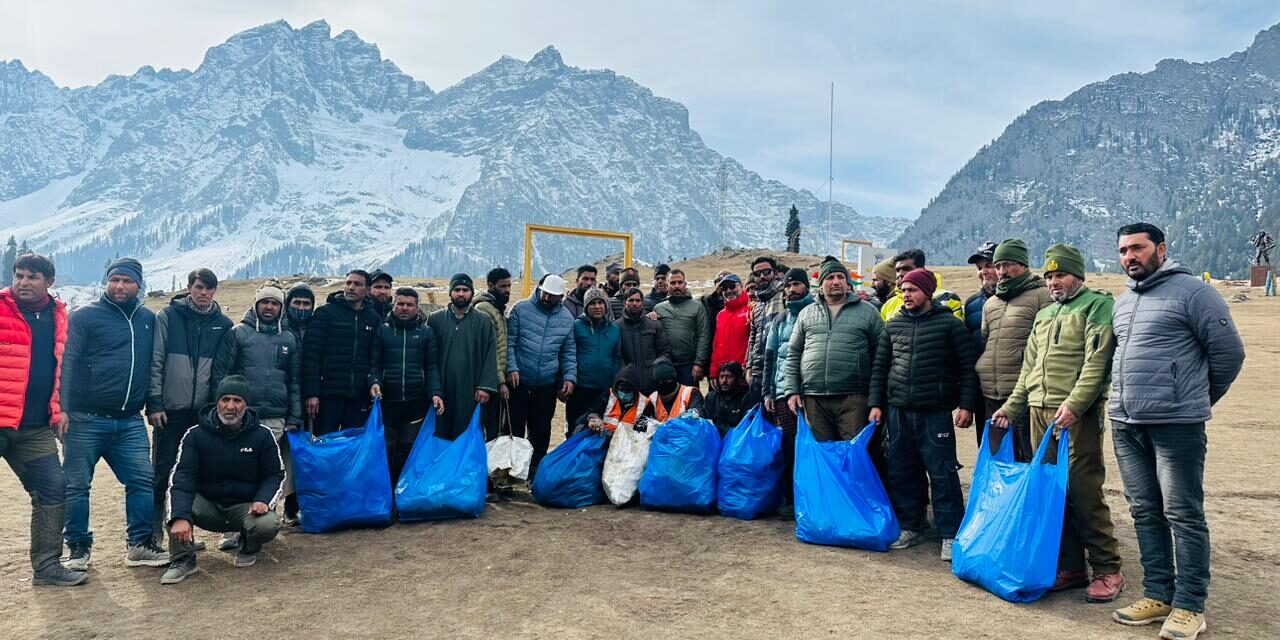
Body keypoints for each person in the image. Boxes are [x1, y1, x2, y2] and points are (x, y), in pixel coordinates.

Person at [1108, 223, 1245, 639]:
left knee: (1183, 514)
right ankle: (1158, 594)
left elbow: (1229, 354)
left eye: (1138, 248)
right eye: (1123, 250)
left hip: (1176, 426)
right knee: (1144, 510)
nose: (1130, 256)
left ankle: (1189, 605)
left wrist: (1194, 401)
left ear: (1161, 249)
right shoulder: (1123, 301)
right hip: (1125, 423)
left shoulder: (1194, 292)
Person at [993, 243, 1124, 603]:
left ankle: (1108, 568)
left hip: (1073, 415)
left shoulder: (1098, 306)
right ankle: (1070, 567)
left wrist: (1076, 404)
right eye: (1049, 276)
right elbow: (1029, 369)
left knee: (1083, 491)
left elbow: (1096, 364)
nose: (1054, 281)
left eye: (1060, 274)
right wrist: (1012, 406)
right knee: (1052, 492)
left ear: (1078, 275)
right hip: (1037, 411)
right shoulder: (1045, 313)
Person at [62, 257, 170, 570]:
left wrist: (154, 404)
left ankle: (139, 545)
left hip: (130, 421)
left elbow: (152, 367)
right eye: (114, 280)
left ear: (139, 285)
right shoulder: (84, 317)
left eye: (127, 281)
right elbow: (66, 363)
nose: (119, 286)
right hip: (85, 418)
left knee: (141, 480)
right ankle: (78, 549)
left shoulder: (148, 319)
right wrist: (63, 408)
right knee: (77, 485)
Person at [869, 268, 978, 561]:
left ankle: (949, 533)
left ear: (927, 292)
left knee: (942, 473)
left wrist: (966, 405)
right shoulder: (892, 326)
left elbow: (967, 368)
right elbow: (880, 368)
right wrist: (876, 404)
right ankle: (911, 526)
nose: (906, 295)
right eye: (903, 290)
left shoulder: (950, 326)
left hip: (935, 413)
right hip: (899, 412)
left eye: (912, 290)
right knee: (902, 471)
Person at [0, 254, 86, 586]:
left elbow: (61, 368)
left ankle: (47, 567)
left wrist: (59, 409)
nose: (22, 282)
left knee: (53, 488)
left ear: (49, 282)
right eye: (18, 275)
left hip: (34, 428)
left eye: (32, 277)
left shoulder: (58, 316)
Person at [160, 376, 284, 584]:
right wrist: (180, 517)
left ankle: (249, 544)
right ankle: (183, 559)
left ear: (246, 404)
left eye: (238, 400)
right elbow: (181, 479)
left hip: (245, 508)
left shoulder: (263, 435)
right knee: (174, 505)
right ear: (216, 402)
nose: (230, 406)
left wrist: (263, 500)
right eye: (225, 399)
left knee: (267, 524)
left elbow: (275, 475)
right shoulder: (195, 435)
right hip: (207, 505)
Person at [148, 268, 232, 545]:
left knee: (193, 473)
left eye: (209, 289)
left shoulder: (223, 324)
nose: (204, 293)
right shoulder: (168, 317)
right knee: (163, 473)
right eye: (199, 287)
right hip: (170, 411)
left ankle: (185, 534)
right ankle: (155, 535)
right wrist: (155, 402)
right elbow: (156, 361)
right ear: (188, 288)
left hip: (202, 413)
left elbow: (221, 371)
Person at [210, 285, 303, 531]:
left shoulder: (289, 338)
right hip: (240, 416)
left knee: (269, 470)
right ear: (256, 305)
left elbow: (294, 380)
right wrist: (218, 411)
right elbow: (221, 375)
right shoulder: (238, 333)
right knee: (237, 471)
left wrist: (294, 415)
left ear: (281, 308)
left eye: (275, 303)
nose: (269, 307)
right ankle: (231, 529)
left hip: (276, 416)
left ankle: (262, 525)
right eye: (265, 302)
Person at [784, 257, 884, 444]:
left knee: (853, 455)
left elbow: (881, 358)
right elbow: (793, 354)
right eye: (830, 277)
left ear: (848, 282)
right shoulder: (807, 313)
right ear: (821, 284)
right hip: (814, 398)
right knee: (821, 457)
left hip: (854, 398)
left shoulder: (869, 312)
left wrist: (876, 400)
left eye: (840, 277)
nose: (836, 281)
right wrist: (792, 390)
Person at [976, 238, 1052, 460]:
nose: (1001, 271)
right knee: (998, 460)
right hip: (991, 394)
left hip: (1024, 396)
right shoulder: (991, 303)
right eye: (998, 265)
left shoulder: (1042, 295)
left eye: (1008, 264)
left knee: (1030, 457)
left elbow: (1045, 346)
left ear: (1023, 265)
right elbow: (987, 340)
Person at [369, 287, 444, 485]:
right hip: (387, 402)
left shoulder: (427, 333)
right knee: (387, 448)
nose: (404, 308)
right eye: (400, 304)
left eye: (409, 305)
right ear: (393, 305)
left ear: (417, 308)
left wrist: (435, 392)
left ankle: (403, 490)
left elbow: (432, 366)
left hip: (415, 402)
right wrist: (374, 382)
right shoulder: (382, 331)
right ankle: (386, 492)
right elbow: (374, 364)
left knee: (408, 449)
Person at [506, 274, 576, 479]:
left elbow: (568, 352)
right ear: (539, 289)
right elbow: (510, 342)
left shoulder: (566, 319)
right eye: (545, 293)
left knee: (541, 431)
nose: (547, 298)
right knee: (513, 429)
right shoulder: (520, 309)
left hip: (545, 385)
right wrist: (511, 368)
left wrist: (569, 378)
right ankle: (510, 473)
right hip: (518, 383)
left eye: (553, 296)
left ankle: (534, 473)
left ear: (561, 297)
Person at [301, 270, 381, 435]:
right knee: (323, 444)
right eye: (348, 283)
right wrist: (312, 393)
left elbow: (375, 358)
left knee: (351, 447)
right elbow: (311, 356)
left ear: (367, 290)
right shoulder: (325, 313)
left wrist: (373, 382)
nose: (351, 287)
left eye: (357, 284)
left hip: (358, 397)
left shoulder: (373, 318)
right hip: (327, 396)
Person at [762, 267, 814, 515]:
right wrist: (768, 392)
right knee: (789, 447)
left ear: (806, 287)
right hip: (783, 394)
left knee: (812, 448)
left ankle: (811, 499)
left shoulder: (817, 313)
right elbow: (769, 358)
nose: (792, 290)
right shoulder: (780, 320)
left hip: (812, 395)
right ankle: (792, 501)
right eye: (788, 286)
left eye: (796, 285)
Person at [427, 274, 499, 440]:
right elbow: (428, 355)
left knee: (466, 432)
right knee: (439, 431)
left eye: (465, 290)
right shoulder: (435, 319)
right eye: (457, 290)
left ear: (471, 293)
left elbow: (490, 354)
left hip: (470, 389)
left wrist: (485, 386)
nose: (461, 294)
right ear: (450, 292)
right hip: (442, 388)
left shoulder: (483, 321)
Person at [567, 288, 621, 431]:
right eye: (592, 303)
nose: (597, 307)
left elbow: (617, 358)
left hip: (604, 391)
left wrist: (614, 384)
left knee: (601, 432)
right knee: (576, 429)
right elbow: (569, 353)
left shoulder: (614, 329)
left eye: (600, 303)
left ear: (606, 305)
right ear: (586, 307)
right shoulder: (577, 326)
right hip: (580, 389)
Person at [473, 267, 512, 439]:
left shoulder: (497, 308)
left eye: (509, 286)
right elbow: (490, 349)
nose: (507, 290)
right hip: (488, 382)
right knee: (489, 427)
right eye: (503, 286)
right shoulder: (485, 310)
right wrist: (500, 381)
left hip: (495, 379)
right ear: (491, 285)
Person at [654, 269, 711, 386]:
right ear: (667, 285)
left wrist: (699, 363)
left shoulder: (697, 306)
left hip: (689, 366)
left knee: (689, 400)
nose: (676, 286)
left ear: (685, 284)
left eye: (680, 283)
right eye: (673, 283)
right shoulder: (658, 309)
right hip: (667, 364)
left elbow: (704, 336)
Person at [880, 249, 963, 321]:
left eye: (906, 269)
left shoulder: (947, 298)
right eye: (898, 270)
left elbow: (956, 332)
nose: (900, 274)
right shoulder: (888, 305)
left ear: (921, 270)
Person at [572, 364, 655, 435]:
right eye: (621, 389)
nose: (624, 393)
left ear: (635, 390)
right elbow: (591, 412)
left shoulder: (645, 405)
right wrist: (594, 420)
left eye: (628, 390)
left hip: (626, 447)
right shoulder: (609, 395)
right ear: (616, 387)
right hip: (600, 440)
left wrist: (610, 434)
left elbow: (641, 434)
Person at [615, 287, 669, 394]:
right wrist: (624, 372)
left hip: (652, 383)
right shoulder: (616, 327)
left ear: (642, 303)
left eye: (638, 300)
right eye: (631, 300)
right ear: (625, 302)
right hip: (628, 383)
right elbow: (616, 355)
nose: (634, 303)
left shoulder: (654, 325)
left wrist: (657, 370)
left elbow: (664, 351)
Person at [745, 257, 784, 399]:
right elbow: (753, 338)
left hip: (778, 371)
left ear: (775, 273)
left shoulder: (784, 296)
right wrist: (749, 367)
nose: (762, 277)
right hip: (758, 373)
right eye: (757, 274)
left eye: (766, 272)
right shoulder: (757, 305)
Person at [710, 274, 750, 385]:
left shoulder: (751, 309)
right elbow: (717, 345)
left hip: (743, 374)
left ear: (741, 287)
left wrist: (748, 366)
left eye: (732, 286)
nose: (728, 291)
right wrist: (714, 372)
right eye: (724, 288)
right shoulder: (721, 315)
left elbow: (755, 343)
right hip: (725, 376)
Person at [703, 362, 760, 436]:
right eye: (721, 377)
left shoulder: (747, 397)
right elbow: (706, 423)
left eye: (729, 377)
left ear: (738, 379)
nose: (724, 381)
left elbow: (747, 426)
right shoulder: (711, 397)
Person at [964, 241, 999, 346]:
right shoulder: (971, 304)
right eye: (979, 268)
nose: (983, 272)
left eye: (989, 266)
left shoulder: (1017, 298)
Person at [701, 270, 731, 346]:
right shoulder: (705, 302)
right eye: (718, 281)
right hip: (711, 345)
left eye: (726, 281)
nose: (721, 284)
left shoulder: (740, 302)